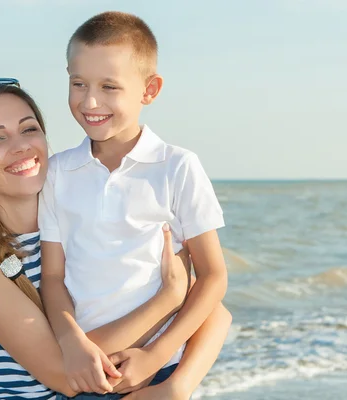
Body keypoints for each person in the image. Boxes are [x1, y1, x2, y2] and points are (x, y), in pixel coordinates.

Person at [0, 80, 232, 400]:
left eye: (29, 129)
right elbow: (67, 374)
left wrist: (178, 386)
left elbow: (214, 312)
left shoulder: (84, 224)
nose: (21, 146)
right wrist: (169, 298)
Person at [39, 11, 229, 400]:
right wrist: (72, 343)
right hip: (85, 374)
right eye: (78, 84)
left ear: (149, 89)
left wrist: (154, 356)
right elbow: (53, 278)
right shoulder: (58, 172)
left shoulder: (177, 167)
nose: (90, 101)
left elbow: (213, 278)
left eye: (109, 86)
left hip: (158, 371)